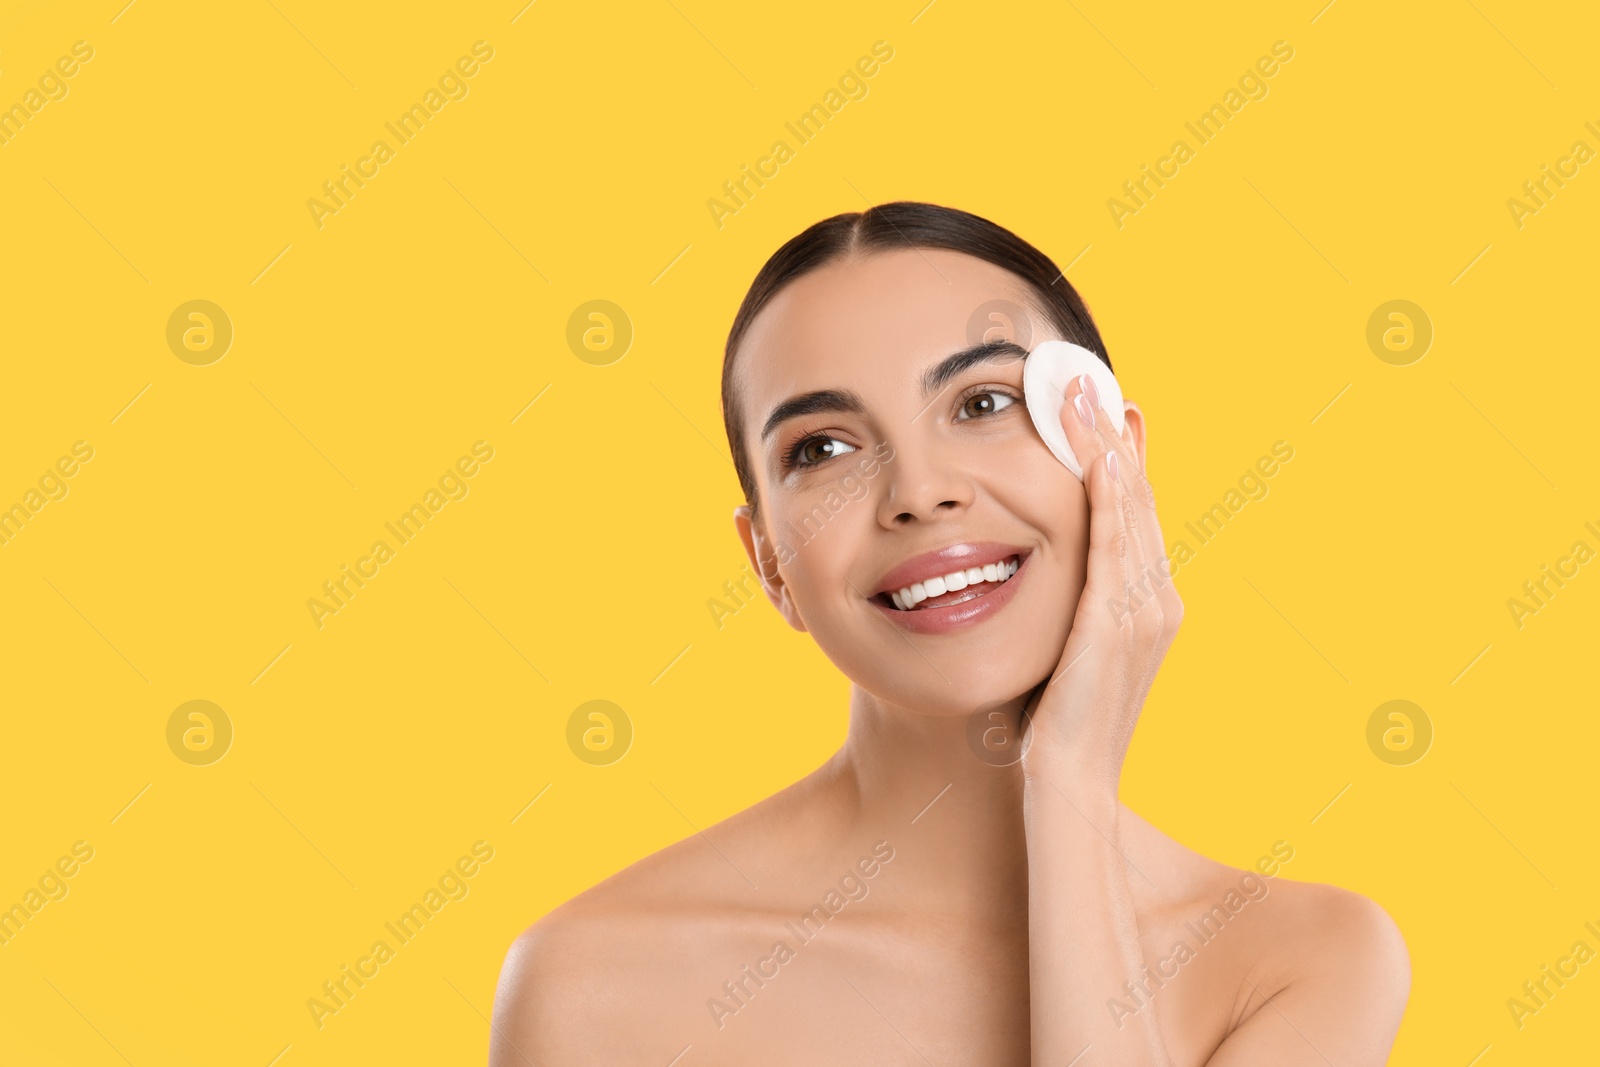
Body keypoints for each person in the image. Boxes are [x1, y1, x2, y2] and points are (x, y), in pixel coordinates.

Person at [489, 201, 1410, 1065]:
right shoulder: (597, 988)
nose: (920, 491)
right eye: (823, 448)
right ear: (770, 561)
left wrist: (1072, 781)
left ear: (1116, 456)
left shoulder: (1299, 962)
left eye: (981, 404)